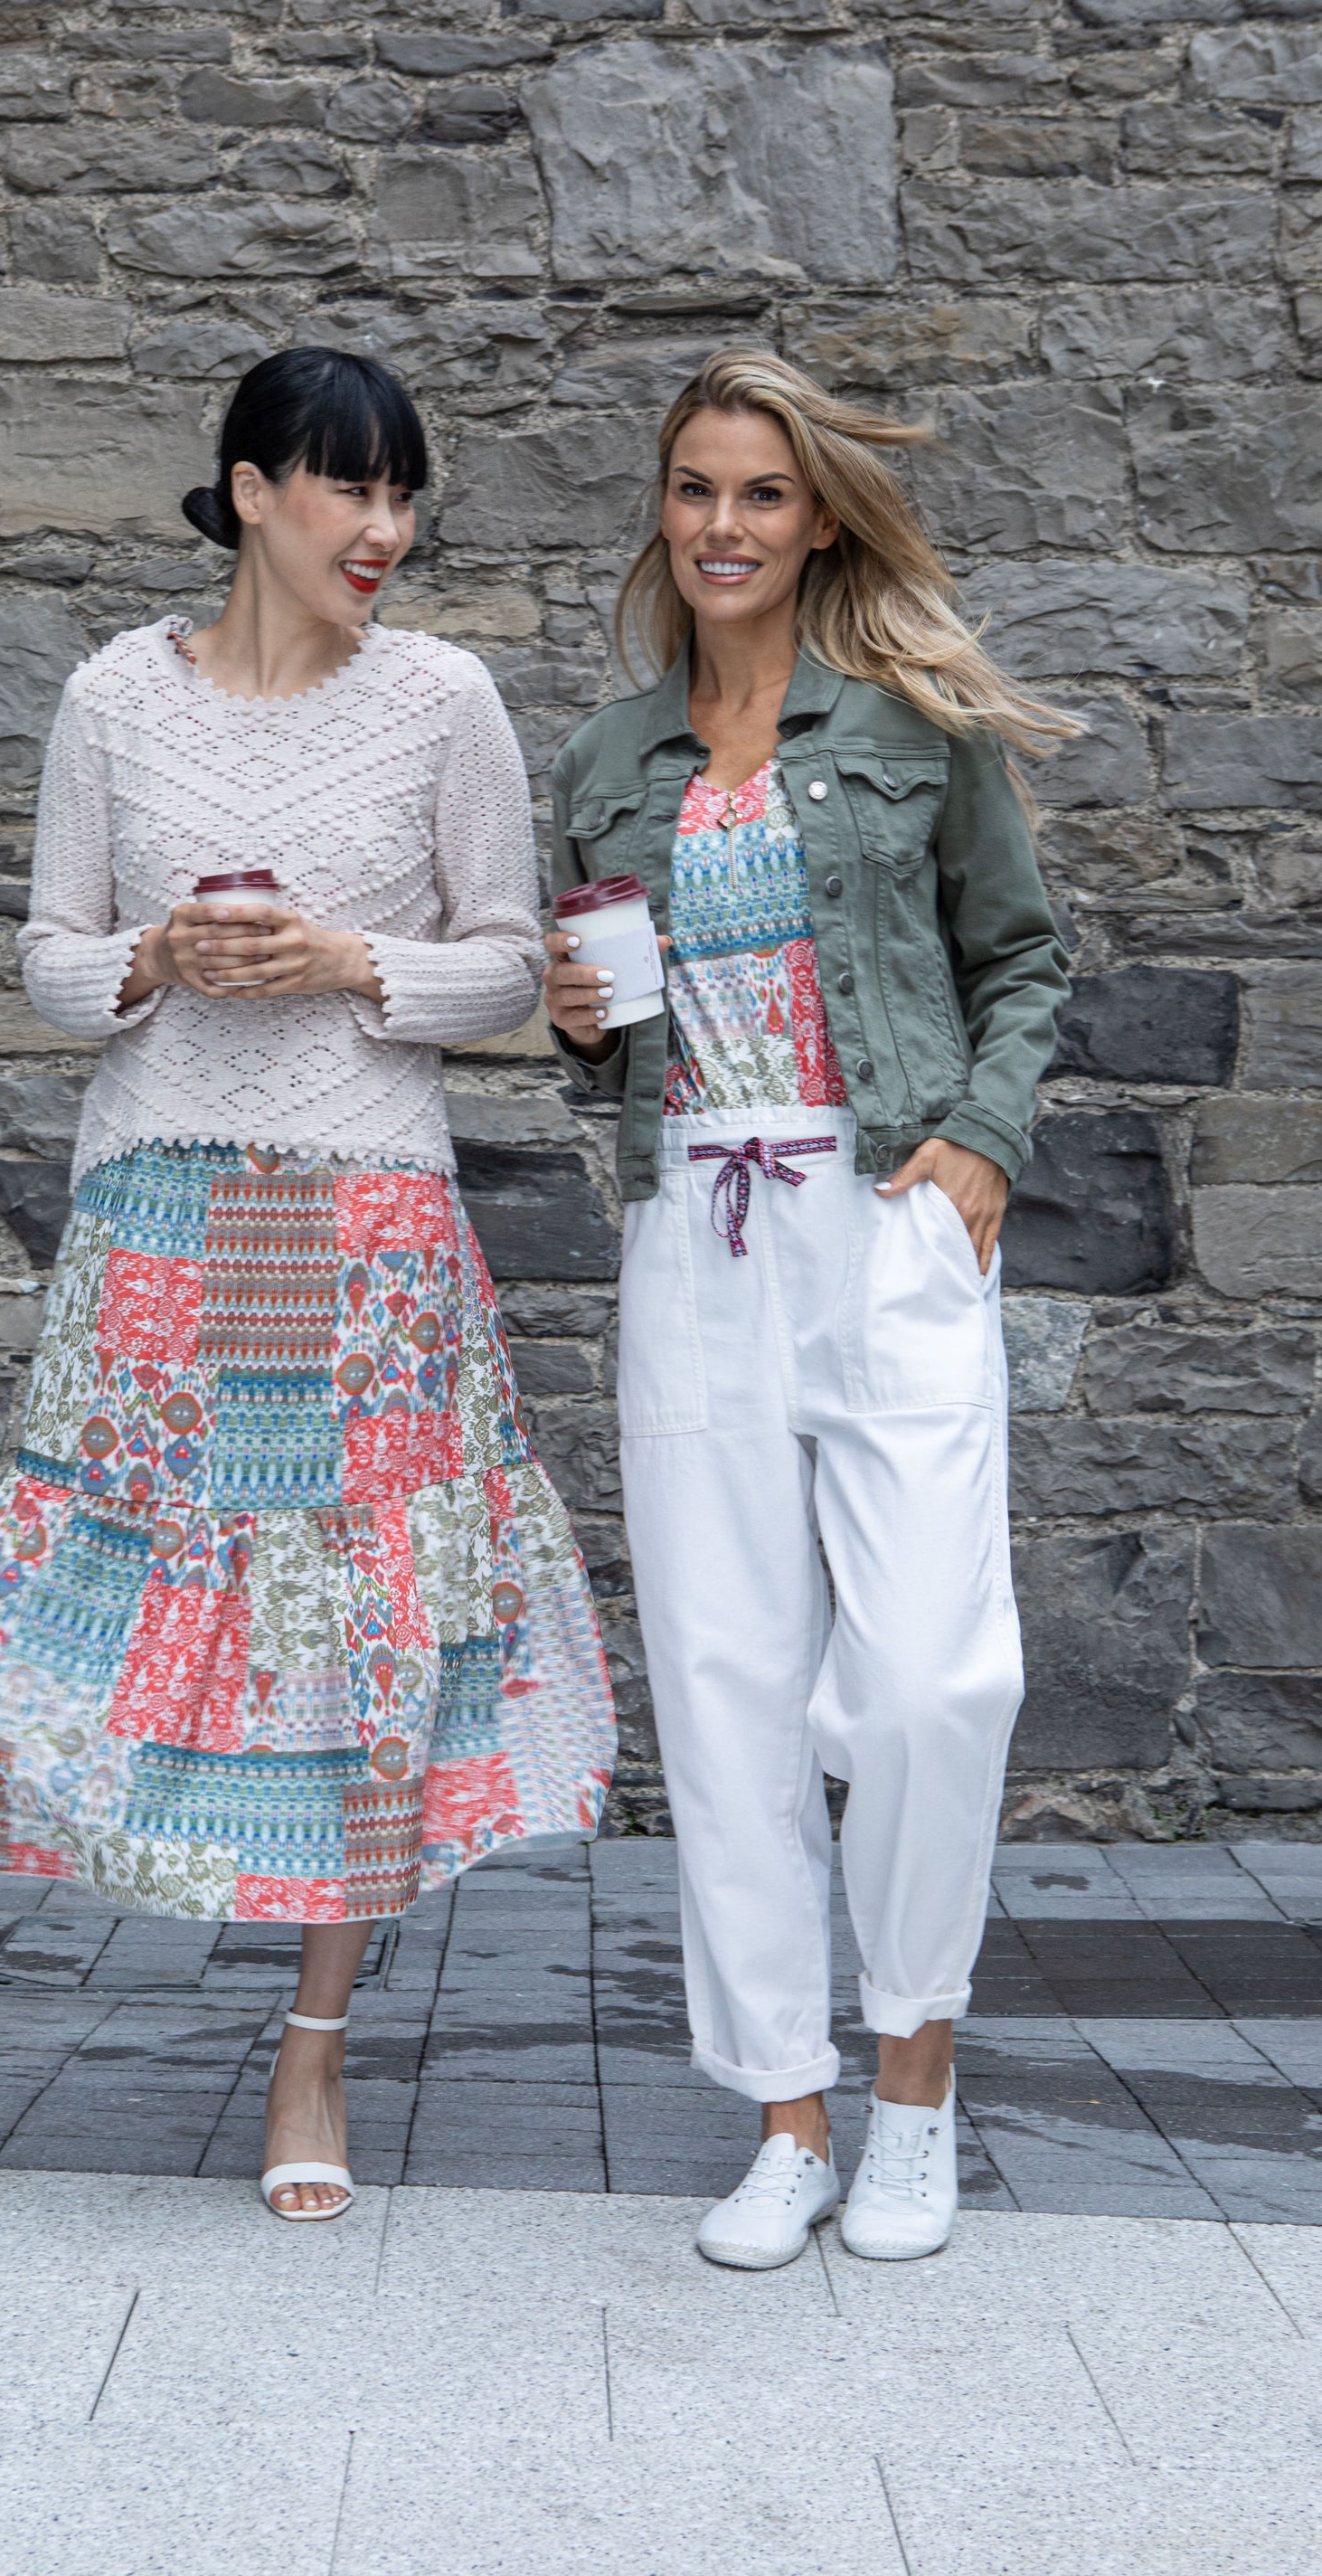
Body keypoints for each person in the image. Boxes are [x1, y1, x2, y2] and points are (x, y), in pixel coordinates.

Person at [0, 347, 616, 2220]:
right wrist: (152, 958)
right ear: (252, 492)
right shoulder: (113, 693)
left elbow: (510, 965)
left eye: (405, 497)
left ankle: (313, 2052)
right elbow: (46, 960)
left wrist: (350, 960)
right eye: (351, 488)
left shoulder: (445, 698)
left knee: (356, 1629)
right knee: (35, 1606)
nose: (384, 529)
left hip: (363, 1232)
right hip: (158, 1226)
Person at [543, 348, 1073, 2268]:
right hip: (694, 1232)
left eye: (760, 492)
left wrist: (982, 1144)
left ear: (821, 518)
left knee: (936, 1676)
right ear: (661, 509)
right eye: (694, 488)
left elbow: (1020, 954)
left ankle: (913, 2088)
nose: (722, 525)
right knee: (724, 1688)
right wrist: (575, 1025)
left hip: (884, 1218)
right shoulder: (608, 759)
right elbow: (605, 1023)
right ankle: (785, 2111)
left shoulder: (915, 727)